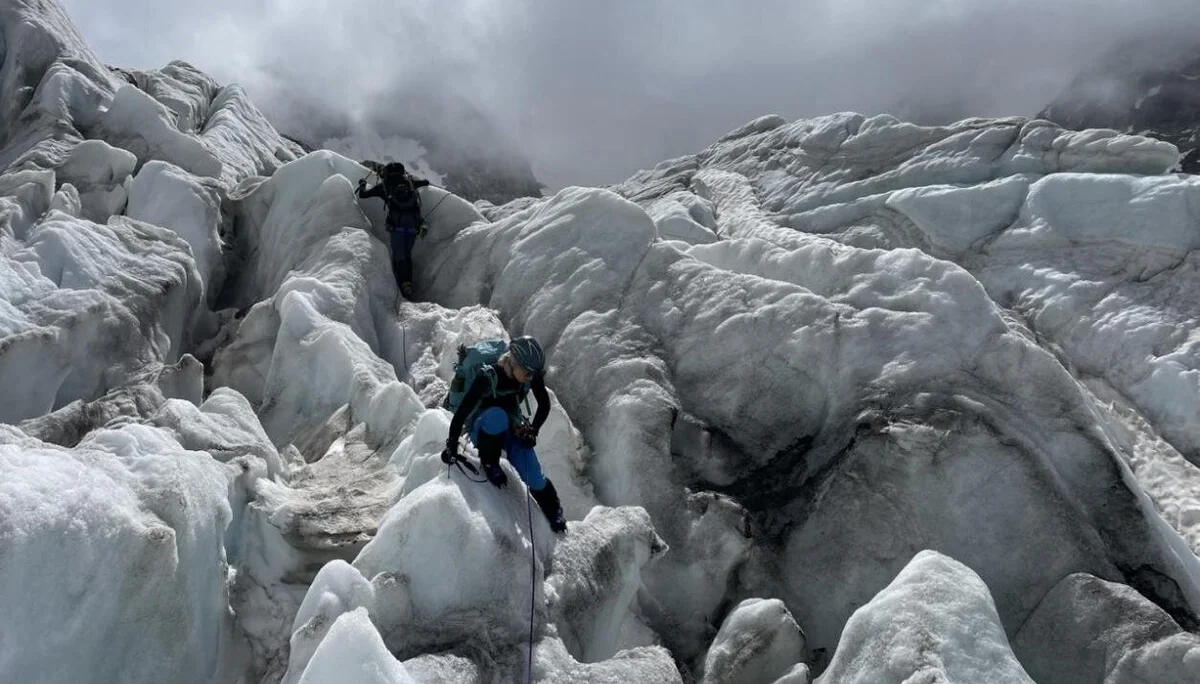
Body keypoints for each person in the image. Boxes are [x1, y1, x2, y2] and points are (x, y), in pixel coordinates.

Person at [441, 336, 568, 533]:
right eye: (527, 373)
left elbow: (544, 404)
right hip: (482, 426)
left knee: (534, 476)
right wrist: (451, 446)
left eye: (533, 374)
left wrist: (532, 431)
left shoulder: (529, 372)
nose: (530, 378)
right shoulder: (487, 377)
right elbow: (462, 413)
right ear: (513, 362)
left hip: (511, 422)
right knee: (496, 417)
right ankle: (490, 462)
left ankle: (553, 510)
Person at [356, 162, 430, 298]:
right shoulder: (410, 183)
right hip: (414, 227)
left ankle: (402, 286)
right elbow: (426, 182)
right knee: (407, 254)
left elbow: (363, 195)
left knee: (399, 255)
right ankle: (408, 283)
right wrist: (411, 179)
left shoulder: (384, 186)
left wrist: (362, 184)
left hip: (397, 228)